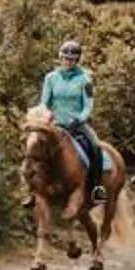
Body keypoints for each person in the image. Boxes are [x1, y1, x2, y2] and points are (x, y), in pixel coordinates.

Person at [38, 39, 107, 205]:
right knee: (35, 146)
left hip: (77, 124)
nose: (68, 62)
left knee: (96, 147)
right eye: (65, 58)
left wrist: (79, 119)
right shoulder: (51, 78)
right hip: (55, 124)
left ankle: (97, 188)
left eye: (72, 59)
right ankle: (33, 189)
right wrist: (44, 116)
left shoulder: (85, 79)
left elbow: (88, 105)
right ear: (60, 58)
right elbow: (44, 102)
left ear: (77, 60)